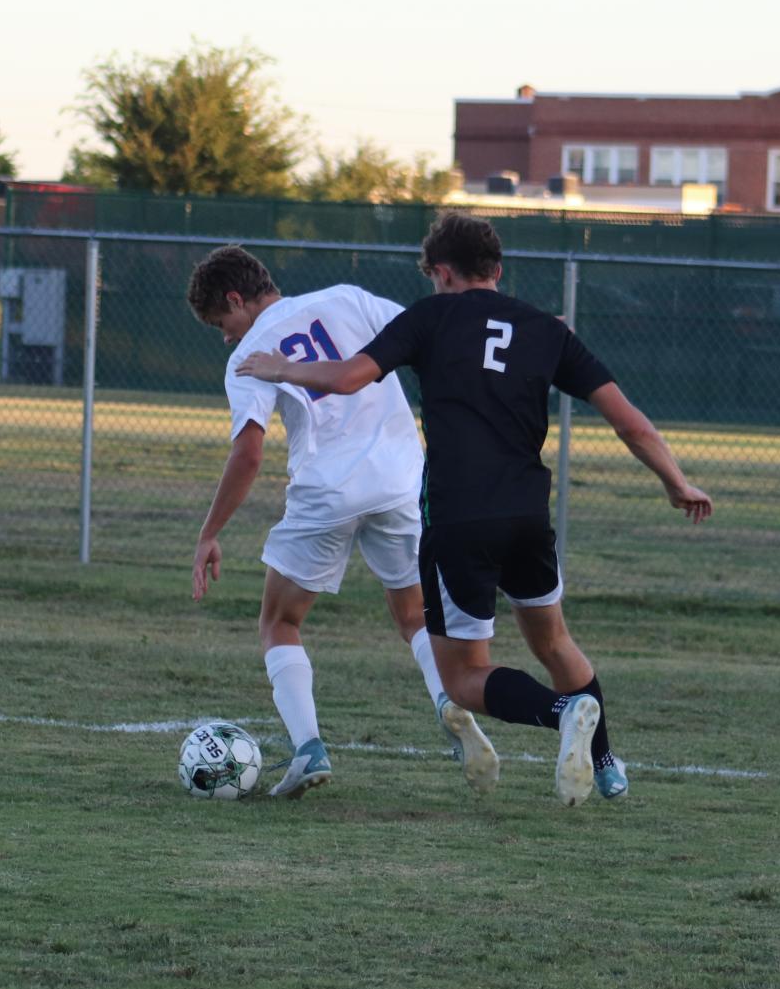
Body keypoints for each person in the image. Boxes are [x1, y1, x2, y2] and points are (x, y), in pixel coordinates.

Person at [238, 214, 713, 806]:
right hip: (528, 518)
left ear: (441, 272)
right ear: (498, 269)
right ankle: (608, 762)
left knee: (463, 679)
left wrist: (278, 367)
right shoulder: (545, 329)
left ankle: (565, 711)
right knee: (555, 643)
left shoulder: (431, 317)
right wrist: (676, 482)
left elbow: (346, 378)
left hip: (459, 522)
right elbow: (631, 423)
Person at [187, 245, 498, 799]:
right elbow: (433, 331)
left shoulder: (251, 354)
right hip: (401, 480)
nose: (227, 337)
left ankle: (308, 748)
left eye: (221, 323)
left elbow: (249, 455)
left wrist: (210, 532)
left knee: (279, 622)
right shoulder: (348, 298)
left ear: (237, 298)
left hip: (327, 489)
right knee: (412, 615)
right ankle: (448, 700)